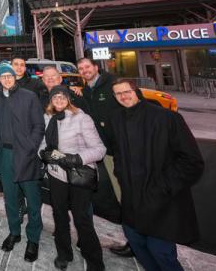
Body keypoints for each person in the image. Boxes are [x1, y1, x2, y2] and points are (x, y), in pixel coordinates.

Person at [111, 79, 204, 271]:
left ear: (137, 92)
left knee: (161, 252)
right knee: (137, 244)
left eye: (126, 91)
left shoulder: (167, 118)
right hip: (132, 199)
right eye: (118, 94)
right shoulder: (117, 119)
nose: (123, 96)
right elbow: (119, 153)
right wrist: (120, 174)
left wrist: (163, 187)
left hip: (160, 201)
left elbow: (192, 162)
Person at [39, 85, 106, 270]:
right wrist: (42, 153)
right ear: (51, 100)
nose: (58, 100)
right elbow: (43, 143)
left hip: (79, 174)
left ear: (68, 99)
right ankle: (64, 253)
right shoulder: (48, 118)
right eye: (55, 97)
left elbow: (100, 149)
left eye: (62, 97)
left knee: (82, 218)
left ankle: (94, 260)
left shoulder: (81, 118)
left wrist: (77, 158)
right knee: (59, 215)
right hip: (57, 174)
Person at [0, 62, 44, 258]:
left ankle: (33, 239)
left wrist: (31, 146)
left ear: (15, 77)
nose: (6, 79)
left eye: (9, 76)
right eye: (3, 76)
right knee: (10, 198)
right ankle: (14, 232)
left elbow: (39, 126)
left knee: (33, 199)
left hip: (26, 154)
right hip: (4, 154)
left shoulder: (28, 97)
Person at [76, 56, 128, 253]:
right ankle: (131, 238)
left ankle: (136, 241)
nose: (84, 71)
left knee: (127, 195)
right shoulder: (87, 91)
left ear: (96, 67)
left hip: (119, 151)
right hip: (101, 151)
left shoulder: (113, 84)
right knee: (117, 194)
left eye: (87, 67)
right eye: (81, 69)